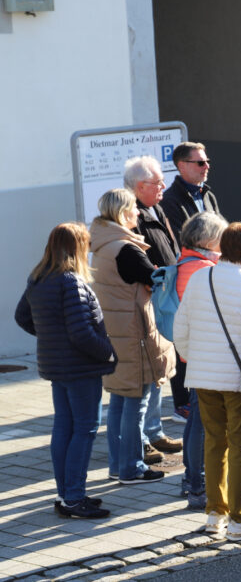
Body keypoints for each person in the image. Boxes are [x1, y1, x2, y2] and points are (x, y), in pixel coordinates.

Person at [174, 222, 241, 541]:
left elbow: (181, 329)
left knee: (214, 443)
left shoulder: (200, 277)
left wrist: (199, 358)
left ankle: (214, 514)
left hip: (203, 377)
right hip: (240, 377)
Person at [15, 222, 116, 519]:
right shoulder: (71, 281)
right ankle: (73, 497)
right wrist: (109, 352)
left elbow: (22, 316)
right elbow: (82, 334)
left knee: (64, 427)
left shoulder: (39, 277)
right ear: (77, 247)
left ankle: (67, 493)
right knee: (83, 429)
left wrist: (50, 337)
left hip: (57, 366)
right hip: (80, 368)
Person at [89, 188, 175, 486]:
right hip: (134, 335)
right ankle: (131, 468)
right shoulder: (125, 248)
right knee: (136, 402)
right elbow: (156, 278)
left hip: (117, 332)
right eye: (134, 210)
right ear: (123, 213)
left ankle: (118, 465)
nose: (138, 213)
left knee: (119, 403)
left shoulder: (102, 244)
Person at [124, 155, 186, 452]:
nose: (163, 185)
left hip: (163, 298)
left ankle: (154, 430)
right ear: (139, 186)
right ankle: (143, 439)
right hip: (148, 301)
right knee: (146, 374)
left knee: (158, 369)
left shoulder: (155, 208)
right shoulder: (131, 216)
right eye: (156, 182)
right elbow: (138, 263)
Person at [173, 211, 229, 512]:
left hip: (192, 353)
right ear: (209, 239)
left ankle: (191, 478)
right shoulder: (203, 269)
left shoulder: (185, 263)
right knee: (202, 422)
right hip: (205, 354)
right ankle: (198, 484)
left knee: (196, 418)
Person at [160, 141, 222, 235]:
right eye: (200, 163)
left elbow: (222, 232)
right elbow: (179, 241)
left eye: (207, 161)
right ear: (182, 166)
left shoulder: (208, 196)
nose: (207, 166)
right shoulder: (169, 201)